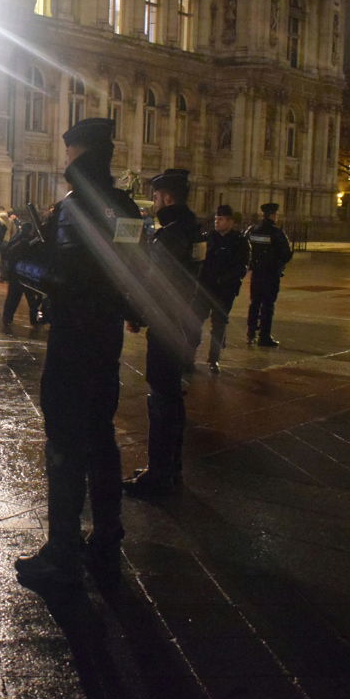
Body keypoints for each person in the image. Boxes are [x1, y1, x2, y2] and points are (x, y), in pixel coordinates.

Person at [14, 118, 142, 589]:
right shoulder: (127, 206)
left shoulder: (73, 207)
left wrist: (23, 256)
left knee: (65, 442)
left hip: (73, 339)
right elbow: (131, 274)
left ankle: (62, 548)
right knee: (101, 438)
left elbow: (62, 278)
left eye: (68, 153)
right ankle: (107, 537)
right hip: (106, 339)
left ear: (76, 153)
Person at [123, 169, 202, 499]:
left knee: (161, 397)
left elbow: (157, 282)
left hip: (166, 321)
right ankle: (171, 465)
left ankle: (159, 473)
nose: (153, 203)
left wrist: (135, 315)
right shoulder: (192, 229)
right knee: (172, 395)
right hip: (184, 320)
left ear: (168, 197)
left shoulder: (171, 234)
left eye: (155, 197)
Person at [190, 205, 249, 374]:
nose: (217, 222)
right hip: (205, 287)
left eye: (221, 219)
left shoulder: (239, 241)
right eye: (216, 219)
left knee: (219, 324)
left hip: (224, 290)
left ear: (230, 222)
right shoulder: (208, 238)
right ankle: (190, 354)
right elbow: (198, 259)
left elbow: (242, 266)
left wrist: (227, 279)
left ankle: (214, 359)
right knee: (196, 320)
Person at [246, 202, 293, 347]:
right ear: (273, 215)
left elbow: (244, 247)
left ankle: (251, 333)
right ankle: (264, 336)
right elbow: (286, 254)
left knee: (254, 303)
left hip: (256, 274)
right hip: (271, 274)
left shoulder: (252, 230)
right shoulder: (276, 233)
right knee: (268, 305)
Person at [0, 220, 43, 333]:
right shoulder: (26, 241)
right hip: (24, 274)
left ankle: (7, 318)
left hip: (16, 273)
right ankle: (34, 319)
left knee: (13, 297)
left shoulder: (16, 239)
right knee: (31, 299)